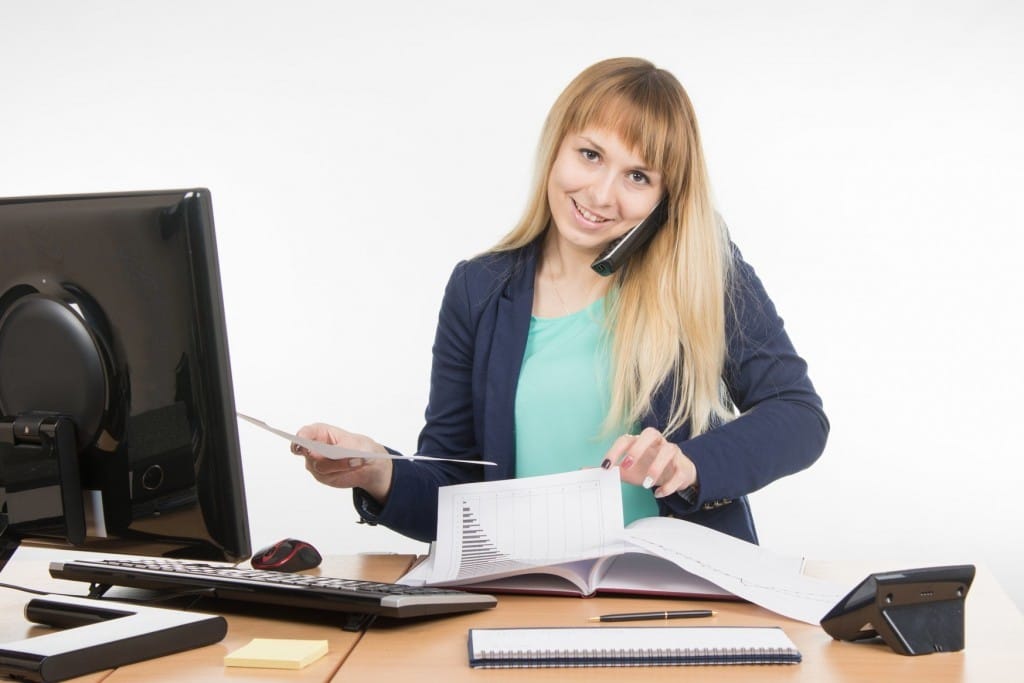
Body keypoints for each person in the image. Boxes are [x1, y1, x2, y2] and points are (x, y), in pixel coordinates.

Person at [292, 57, 828, 544]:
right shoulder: (478, 290)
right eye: (590, 155)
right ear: (557, 147)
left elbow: (799, 415)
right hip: (529, 595)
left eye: (637, 176)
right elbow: (453, 488)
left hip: (679, 595)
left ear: (667, 197)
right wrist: (377, 471)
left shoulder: (702, 269)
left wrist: (689, 463)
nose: (600, 195)